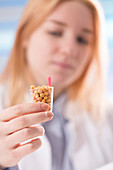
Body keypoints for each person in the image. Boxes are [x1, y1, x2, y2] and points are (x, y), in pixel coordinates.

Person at [0, 0, 113, 170]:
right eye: (55, 32)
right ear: (25, 36)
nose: (69, 50)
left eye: (82, 40)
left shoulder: (107, 118)